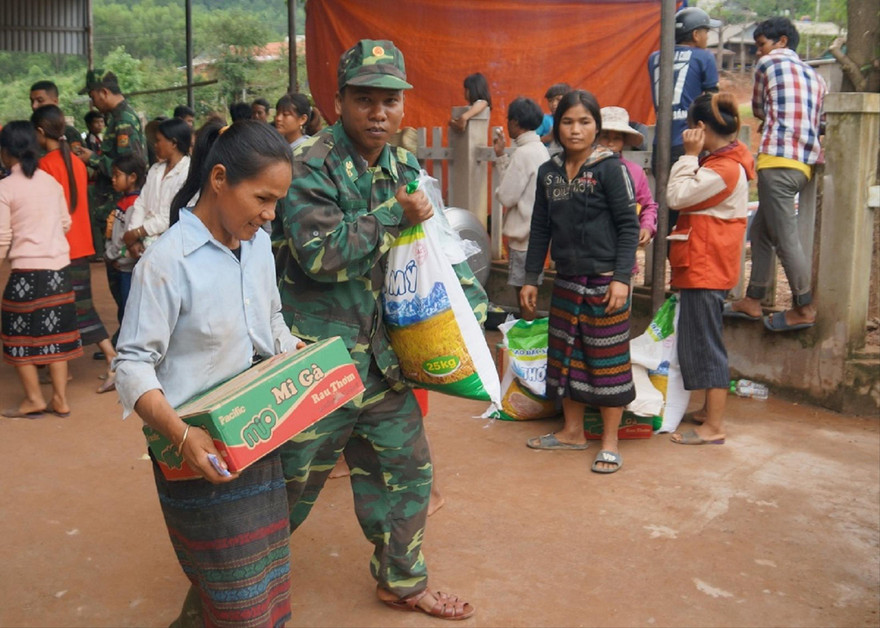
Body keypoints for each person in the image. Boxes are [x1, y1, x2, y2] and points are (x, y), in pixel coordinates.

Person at [277, 39, 475, 620]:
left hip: (381, 362)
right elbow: (320, 256)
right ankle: (222, 596)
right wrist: (394, 214)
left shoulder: (403, 166)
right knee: (283, 494)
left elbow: (431, 247)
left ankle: (402, 580)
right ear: (338, 101)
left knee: (407, 472)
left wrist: (473, 304)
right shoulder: (306, 164)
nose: (379, 113)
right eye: (365, 99)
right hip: (318, 363)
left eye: (390, 101)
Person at [113, 121, 302, 627]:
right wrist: (181, 433)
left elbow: (272, 317)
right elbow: (131, 363)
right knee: (235, 599)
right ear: (219, 178)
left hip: (255, 438)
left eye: (277, 202)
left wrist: (291, 351)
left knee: (264, 584)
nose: (270, 215)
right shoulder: (168, 262)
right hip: (194, 456)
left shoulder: (257, 244)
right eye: (263, 198)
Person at [520, 90, 639, 474]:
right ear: (557, 126)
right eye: (568, 122)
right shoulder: (548, 172)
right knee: (566, 359)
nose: (575, 130)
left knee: (607, 365)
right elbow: (540, 228)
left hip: (605, 283)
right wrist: (530, 278)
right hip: (567, 281)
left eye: (584, 122)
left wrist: (622, 278)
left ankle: (609, 442)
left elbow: (628, 225)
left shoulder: (609, 169)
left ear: (597, 127)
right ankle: (572, 432)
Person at [725, 17, 826, 333]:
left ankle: (804, 306)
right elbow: (819, 120)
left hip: (776, 161)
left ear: (781, 41)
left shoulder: (769, 64)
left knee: (784, 236)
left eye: (760, 45)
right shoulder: (817, 78)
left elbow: (757, 108)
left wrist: (771, 116)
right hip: (804, 164)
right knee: (762, 232)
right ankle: (753, 300)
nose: (758, 53)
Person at [666, 92, 755, 444]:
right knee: (700, 339)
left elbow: (676, 196)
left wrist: (688, 157)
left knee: (706, 343)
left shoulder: (725, 168)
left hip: (707, 264)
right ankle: (707, 412)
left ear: (700, 128)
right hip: (702, 263)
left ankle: (715, 426)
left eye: (690, 128)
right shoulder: (726, 161)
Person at [32, 105, 118, 393]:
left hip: (60, 248)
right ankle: (62, 367)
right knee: (76, 304)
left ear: (41, 132)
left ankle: (112, 358)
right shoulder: (77, 163)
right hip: (80, 245)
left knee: (72, 307)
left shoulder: (46, 165)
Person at [0, 121, 82, 418]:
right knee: (57, 336)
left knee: (16, 336)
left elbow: (2, 238)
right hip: (59, 273)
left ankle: (34, 398)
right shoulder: (51, 183)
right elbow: (65, 223)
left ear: (6, 152)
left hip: (25, 274)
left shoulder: (5, 188)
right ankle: (60, 399)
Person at [647, 6, 720, 229]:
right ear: (696, 34)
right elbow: (712, 101)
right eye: (706, 31)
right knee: (689, 211)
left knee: (665, 209)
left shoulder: (654, 58)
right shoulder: (704, 57)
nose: (708, 36)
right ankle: (679, 262)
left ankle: (664, 260)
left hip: (662, 143)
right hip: (690, 142)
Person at [73, 70, 146, 264]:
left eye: (93, 96)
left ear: (104, 92)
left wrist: (93, 159)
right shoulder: (116, 117)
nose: (93, 102)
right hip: (116, 205)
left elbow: (128, 166)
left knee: (119, 267)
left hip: (121, 206)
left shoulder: (123, 120)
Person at [492, 96, 550, 316]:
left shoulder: (523, 153)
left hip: (523, 236)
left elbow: (507, 196)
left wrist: (501, 161)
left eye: (509, 120)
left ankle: (527, 337)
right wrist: (501, 156)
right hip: (536, 234)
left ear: (515, 122)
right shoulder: (539, 149)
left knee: (524, 293)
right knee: (530, 289)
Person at [597, 106, 658, 267]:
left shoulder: (635, 172)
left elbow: (648, 205)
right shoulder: (584, 169)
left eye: (616, 138)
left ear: (623, 141)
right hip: (589, 255)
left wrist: (646, 226)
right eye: (605, 136)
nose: (610, 143)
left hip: (623, 255)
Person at [123, 118, 191, 258]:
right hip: (146, 244)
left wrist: (138, 232)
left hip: (172, 246)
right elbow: (141, 204)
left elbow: (171, 215)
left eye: (159, 140)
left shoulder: (188, 173)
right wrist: (133, 238)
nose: (155, 145)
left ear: (173, 143)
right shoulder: (155, 169)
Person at [104, 153, 146, 336]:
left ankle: (125, 342)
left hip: (126, 265)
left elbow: (125, 237)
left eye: (117, 175)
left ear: (133, 177)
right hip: (118, 262)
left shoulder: (134, 204)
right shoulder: (122, 201)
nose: (113, 180)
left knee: (128, 307)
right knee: (122, 303)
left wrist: (113, 254)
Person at [29, 80, 83, 149]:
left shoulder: (70, 133)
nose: (34, 106)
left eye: (40, 100)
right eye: (32, 101)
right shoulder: (28, 134)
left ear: (55, 101)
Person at [535, 82, 571, 149]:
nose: (554, 104)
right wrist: (549, 137)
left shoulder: (573, 120)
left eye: (559, 100)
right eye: (550, 101)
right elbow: (531, 143)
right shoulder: (544, 120)